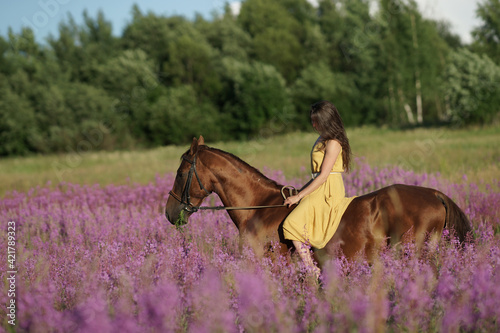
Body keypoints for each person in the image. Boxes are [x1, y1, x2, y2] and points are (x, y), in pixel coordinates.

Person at [283, 100, 356, 278]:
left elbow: (323, 176)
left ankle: (311, 269)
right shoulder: (322, 138)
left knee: (291, 223)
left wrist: (299, 195)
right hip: (318, 185)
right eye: (313, 121)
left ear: (326, 120)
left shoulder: (334, 143)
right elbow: (317, 175)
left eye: (316, 121)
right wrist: (302, 191)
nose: (313, 124)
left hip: (328, 189)